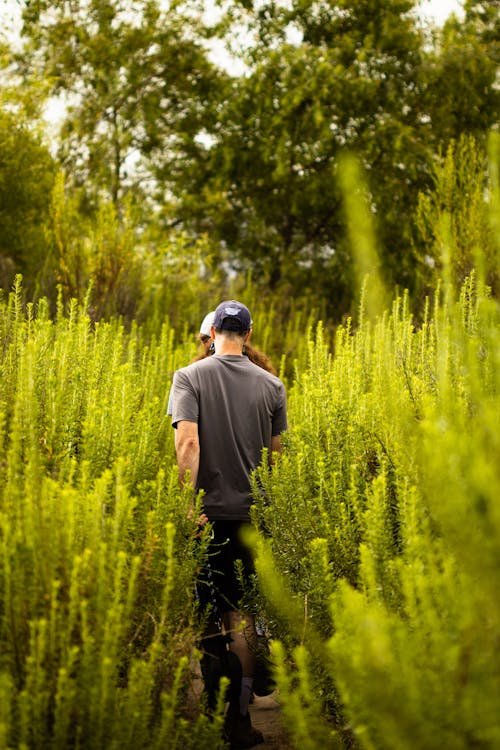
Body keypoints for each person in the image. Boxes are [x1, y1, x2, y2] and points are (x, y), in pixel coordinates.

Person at [170, 300, 287, 749]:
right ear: (248, 333)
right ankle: (240, 720)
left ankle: (214, 714)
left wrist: (187, 505)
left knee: (208, 616)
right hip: (253, 517)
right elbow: (275, 456)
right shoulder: (272, 385)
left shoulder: (189, 377)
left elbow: (188, 445)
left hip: (206, 515)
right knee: (242, 618)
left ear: (214, 329)